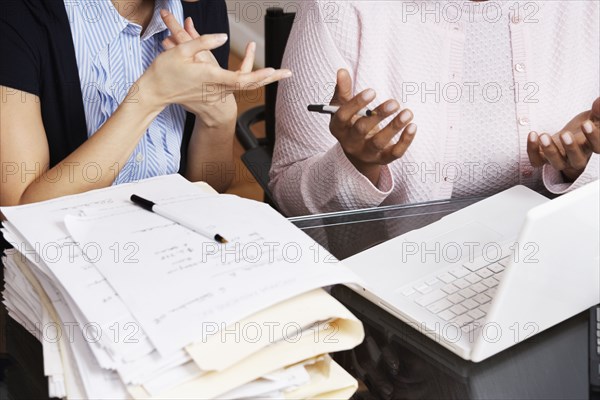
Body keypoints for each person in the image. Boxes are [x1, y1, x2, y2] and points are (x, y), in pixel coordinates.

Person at [270, 0, 600, 216]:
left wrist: (579, 167)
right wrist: (354, 164)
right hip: (384, 283)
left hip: (558, 265)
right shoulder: (339, 9)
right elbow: (288, 200)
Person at [0, 0, 291, 206]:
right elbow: (20, 209)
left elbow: (207, 188)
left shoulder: (199, 6)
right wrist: (149, 97)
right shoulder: (16, 15)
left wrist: (218, 117)